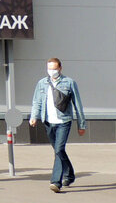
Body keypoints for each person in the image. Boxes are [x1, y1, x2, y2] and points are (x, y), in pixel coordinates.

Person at [29, 57, 86, 193]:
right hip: (48, 121)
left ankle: (56, 182)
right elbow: (36, 101)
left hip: (64, 121)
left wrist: (81, 124)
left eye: (54, 68)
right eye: (49, 69)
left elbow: (77, 104)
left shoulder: (69, 82)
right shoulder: (42, 83)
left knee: (59, 149)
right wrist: (34, 116)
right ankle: (70, 174)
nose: (52, 71)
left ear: (60, 68)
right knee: (58, 150)